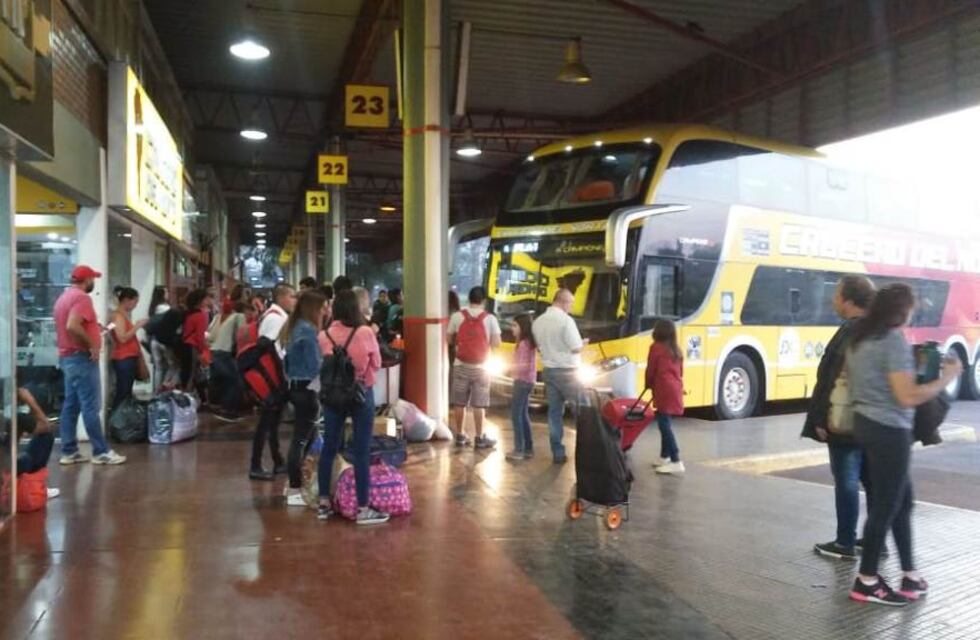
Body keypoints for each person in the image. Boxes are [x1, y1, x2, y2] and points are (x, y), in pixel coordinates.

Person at [846, 284, 962, 607]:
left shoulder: (860, 339)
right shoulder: (892, 341)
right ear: (901, 311)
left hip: (865, 424)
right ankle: (866, 579)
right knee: (885, 505)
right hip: (889, 430)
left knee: (902, 500)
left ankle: (910, 574)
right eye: (911, 309)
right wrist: (947, 377)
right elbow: (907, 396)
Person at [802, 275, 876, 560]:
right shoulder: (878, 330)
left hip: (845, 421)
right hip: (871, 422)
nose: (833, 300)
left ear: (848, 299)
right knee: (870, 481)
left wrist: (821, 417)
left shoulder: (851, 331)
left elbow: (833, 378)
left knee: (846, 480)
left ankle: (845, 542)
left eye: (836, 294)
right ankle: (873, 540)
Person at [316, 289, 388, 525]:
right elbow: (376, 363)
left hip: (332, 397)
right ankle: (363, 507)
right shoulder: (365, 332)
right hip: (360, 394)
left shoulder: (324, 334)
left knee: (329, 447)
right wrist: (363, 377)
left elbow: (323, 368)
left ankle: (324, 503)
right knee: (361, 450)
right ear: (356, 309)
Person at [54, 265, 126, 466]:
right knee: (90, 405)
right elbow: (72, 325)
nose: (94, 282)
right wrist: (92, 345)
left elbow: (72, 325)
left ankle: (69, 451)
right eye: (93, 279)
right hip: (81, 358)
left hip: (68, 358)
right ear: (86, 281)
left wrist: (94, 328)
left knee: (71, 405)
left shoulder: (63, 297)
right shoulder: (82, 298)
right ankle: (101, 451)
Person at [280, 290, 326, 507]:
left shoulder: (294, 328)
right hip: (308, 390)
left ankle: (297, 483)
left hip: (296, 387)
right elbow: (316, 365)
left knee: (309, 437)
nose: (325, 311)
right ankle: (295, 489)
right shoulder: (308, 331)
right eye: (323, 307)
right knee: (300, 440)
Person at [532, 289, 585, 464]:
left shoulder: (538, 322)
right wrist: (583, 343)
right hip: (568, 372)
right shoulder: (566, 321)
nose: (571, 307)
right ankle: (585, 450)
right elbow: (575, 347)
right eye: (570, 303)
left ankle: (558, 452)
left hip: (549, 371)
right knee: (582, 411)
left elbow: (540, 345)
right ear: (562, 302)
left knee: (554, 413)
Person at [250, 283, 296, 481]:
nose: (294, 300)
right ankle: (256, 464)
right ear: (282, 297)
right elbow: (269, 350)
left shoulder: (277, 317)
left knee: (273, 422)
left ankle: (277, 461)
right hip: (273, 379)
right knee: (266, 422)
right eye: (292, 296)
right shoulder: (275, 319)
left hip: (276, 378)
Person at [447, 286, 501, 449]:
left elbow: (448, 339)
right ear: (483, 301)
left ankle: (460, 435)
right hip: (482, 368)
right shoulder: (490, 319)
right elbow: (497, 343)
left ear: (469, 299)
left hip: (460, 365)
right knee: (479, 404)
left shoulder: (457, 316)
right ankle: (479, 437)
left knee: (459, 402)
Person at [647, 319, 685, 475]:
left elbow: (651, 369)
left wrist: (648, 384)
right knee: (666, 422)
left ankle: (676, 460)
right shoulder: (676, 350)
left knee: (664, 425)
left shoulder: (656, 348)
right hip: (675, 388)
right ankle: (664, 457)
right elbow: (681, 371)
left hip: (663, 389)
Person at [210, 298, 252, 421]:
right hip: (224, 353)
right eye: (249, 311)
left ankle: (222, 407)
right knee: (234, 381)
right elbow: (242, 335)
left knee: (225, 381)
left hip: (216, 351)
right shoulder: (239, 317)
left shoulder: (227, 317)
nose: (250, 314)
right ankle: (228, 411)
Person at [109, 287, 147, 412]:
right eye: (135, 302)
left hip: (127, 357)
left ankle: (121, 419)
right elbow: (122, 338)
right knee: (123, 392)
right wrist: (137, 326)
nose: (135, 305)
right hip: (123, 358)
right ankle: (117, 420)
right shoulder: (118, 316)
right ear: (127, 300)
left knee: (126, 391)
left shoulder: (121, 315)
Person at [506, 313, 536, 461]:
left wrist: (511, 368)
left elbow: (523, 366)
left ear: (522, 327)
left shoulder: (523, 344)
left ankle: (519, 450)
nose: (512, 328)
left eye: (515, 325)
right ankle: (528, 448)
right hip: (528, 381)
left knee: (516, 415)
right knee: (523, 414)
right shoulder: (528, 343)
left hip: (522, 381)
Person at [180, 289, 212, 396]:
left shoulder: (189, 313)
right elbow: (200, 336)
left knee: (187, 372)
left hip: (185, 344)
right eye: (206, 298)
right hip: (192, 346)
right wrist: (203, 351)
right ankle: (186, 399)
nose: (208, 300)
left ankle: (187, 396)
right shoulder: (201, 315)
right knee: (192, 374)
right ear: (200, 300)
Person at [148, 285, 180, 391]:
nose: (168, 294)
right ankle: (165, 387)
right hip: (164, 340)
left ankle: (156, 391)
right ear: (162, 294)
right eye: (166, 292)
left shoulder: (153, 308)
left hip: (153, 340)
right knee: (173, 366)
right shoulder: (166, 308)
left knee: (158, 368)